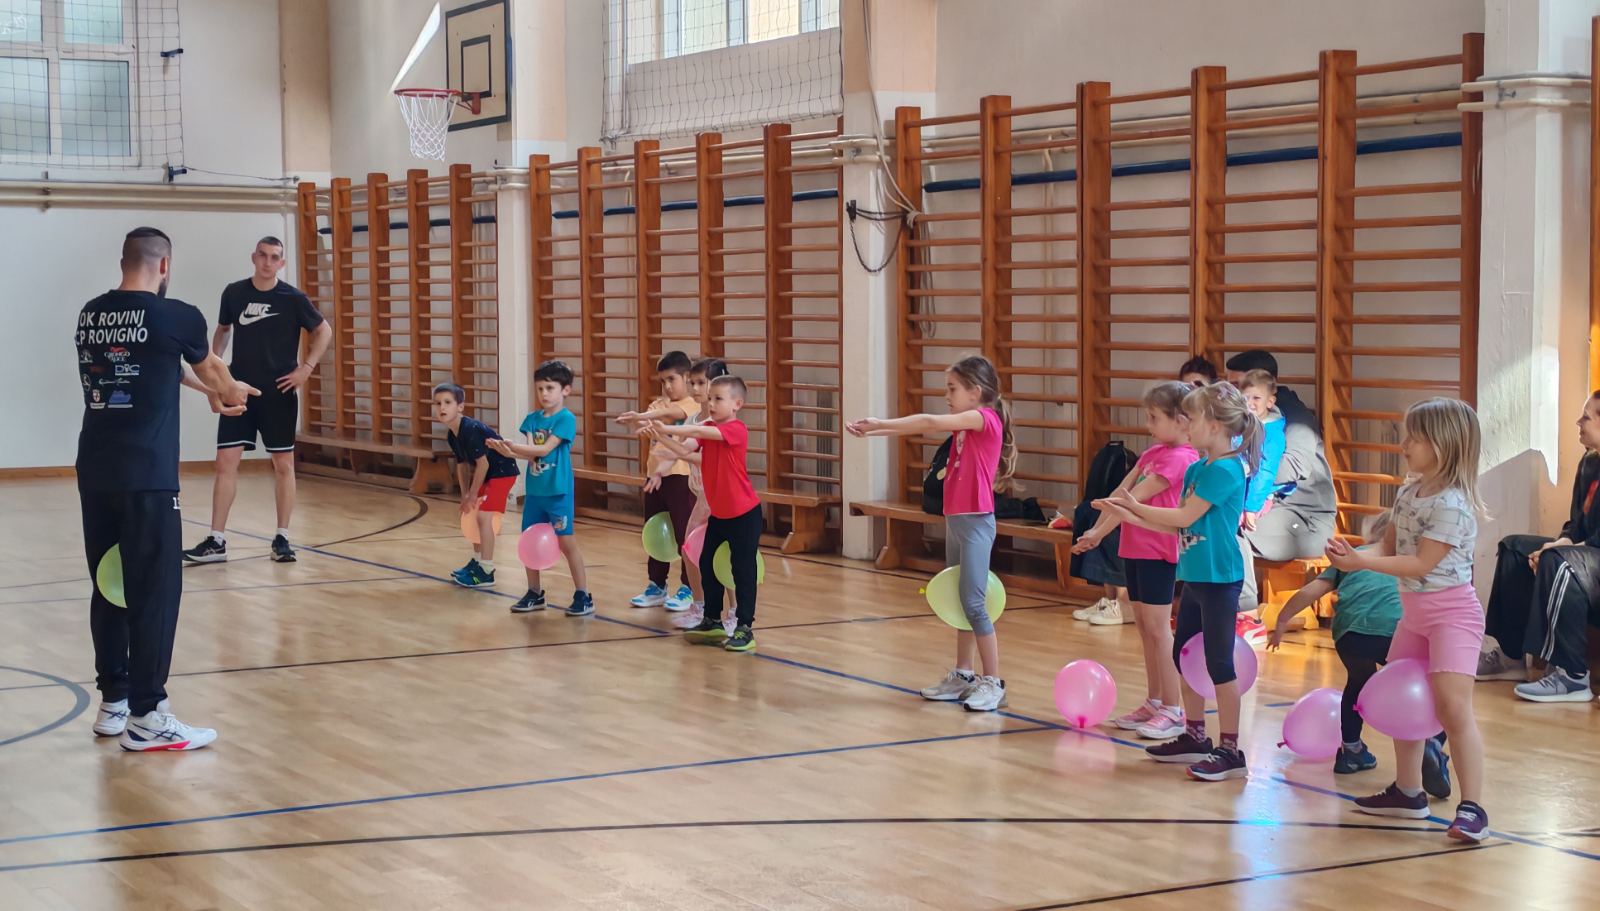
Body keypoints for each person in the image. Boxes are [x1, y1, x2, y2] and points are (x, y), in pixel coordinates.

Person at [78, 226, 256, 751]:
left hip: (97, 471)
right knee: (154, 592)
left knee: (110, 584)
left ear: (124, 261)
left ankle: (114, 701)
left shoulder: (91, 314)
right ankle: (148, 714)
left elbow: (154, 363)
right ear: (164, 267)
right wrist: (228, 390)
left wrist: (205, 390)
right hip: (148, 477)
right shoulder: (176, 315)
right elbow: (213, 370)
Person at [1328, 398, 1489, 842]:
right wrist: (1353, 554)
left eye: (1415, 438)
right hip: (1413, 616)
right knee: (1405, 700)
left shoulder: (1453, 505)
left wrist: (1361, 564)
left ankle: (1473, 808)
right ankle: (1408, 791)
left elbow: (1419, 564)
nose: (1404, 445)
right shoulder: (1407, 493)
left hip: (1452, 617)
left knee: (1454, 710)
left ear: (1443, 444)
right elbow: (1388, 548)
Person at [1097, 382, 1260, 782]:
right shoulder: (1197, 469)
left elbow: (1186, 516)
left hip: (1220, 579)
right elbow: (1177, 526)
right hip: (1195, 577)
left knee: (1218, 663)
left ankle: (1231, 750)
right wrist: (1131, 515)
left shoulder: (1226, 470)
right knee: (1184, 656)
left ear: (1215, 425)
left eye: (1194, 418)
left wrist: (1135, 507)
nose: (1189, 425)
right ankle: (1195, 735)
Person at [848, 356, 1018, 712]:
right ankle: (964, 674)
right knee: (960, 601)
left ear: (975, 392)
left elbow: (928, 421)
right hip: (957, 521)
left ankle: (994, 682)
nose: (947, 396)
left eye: (952, 389)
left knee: (975, 604)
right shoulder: (965, 425)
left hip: (976, 522)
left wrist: (879, 423)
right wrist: (874, 431)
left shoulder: (983, 418)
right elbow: (923, 425)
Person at [1269, 511, 1451, 796]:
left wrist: (1281, 620)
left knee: (1357, 682)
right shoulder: (1408, 559)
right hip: (1393, 630)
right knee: (1432, 691)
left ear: (1372, 534)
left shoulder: (1352, 557)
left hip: (1349, 634)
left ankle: (1351, 750)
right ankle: (1433, 744)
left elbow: (1312, 590)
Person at [183, 237, 332, 565]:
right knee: (225, 462)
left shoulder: (293, 298)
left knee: (284, 464)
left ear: (281, 263)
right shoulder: (234, 293)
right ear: (254, 257)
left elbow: (324, 331)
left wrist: (306, 368)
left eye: (274, 257)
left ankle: (282, 537)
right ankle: (216, 540)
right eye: (263, 255)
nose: (267, 262)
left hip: (279, 393)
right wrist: (216, 377)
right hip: (238, 391)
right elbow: (223, 331)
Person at [1071, 381, 1199, 739]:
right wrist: (1097, 531)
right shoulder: (1153, 453)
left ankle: (1173, 708)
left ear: (1181, 420)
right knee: (1144, 628)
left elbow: (1133, 499)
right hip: (1135, 548)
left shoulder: (1182, 458)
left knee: (1159, 630)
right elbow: (1120, 492)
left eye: (1154, 417)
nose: (1148, 424)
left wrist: (1100, 530)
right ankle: (1154, 701)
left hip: (1159, 551)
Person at [1479, 391, 1600, 702]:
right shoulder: (1589, 462)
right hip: (1586, 554)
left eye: (1586, 417)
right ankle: (1510, 658)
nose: (1578, 422)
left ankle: (1572, 676)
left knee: (1560, 561)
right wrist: (1558, 543)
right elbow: (1576, 525)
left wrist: (1557, 553)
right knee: (1514, 548)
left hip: (1593, 559)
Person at [650, 375, 765, 653]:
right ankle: (712, 620)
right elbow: (684, 450)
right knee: (707, 564)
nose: (711, 403)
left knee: (742, 571)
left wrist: (667, 427)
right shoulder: (707, 429)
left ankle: (744, 627)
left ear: (737, 404)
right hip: (719, 515)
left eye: (718, 399)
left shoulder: (736, 429)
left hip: (744, 514)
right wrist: (661, 436)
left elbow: (698, 432)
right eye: (710, 398)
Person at [1223, 350, 1338, 612]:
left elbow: (1295, 464)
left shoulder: (1294, 418)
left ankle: (1246, 612)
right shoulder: (1244, 413)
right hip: (1269, 509)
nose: (1234, 393)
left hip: (1307, 521)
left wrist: (1240, 475)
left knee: (1231, 526)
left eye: (1238, 385)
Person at [489, 360, 592, 617]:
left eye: (550, 388)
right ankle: (534, 593)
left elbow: (545, 449)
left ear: (565, 390)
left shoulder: (565, 419)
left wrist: (512, 447)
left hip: (558, 493)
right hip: (535, 493)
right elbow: (531, 453)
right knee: (530, 541)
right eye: (540, 389)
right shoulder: (532, 420)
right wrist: (507, 451)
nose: (544, 394)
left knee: (566, 542)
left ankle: (583, 595)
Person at [646, 357, 731, 631]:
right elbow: (681, 448)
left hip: (725, 501)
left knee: (726, 556)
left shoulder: (725, 424)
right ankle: (700, 606)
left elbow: (695, 450)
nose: (695, 389)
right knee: (690, 549)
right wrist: (659, 471)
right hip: (703, 498)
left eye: (701, 383)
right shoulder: (695, 419)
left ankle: (735, 613)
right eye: (692, 383)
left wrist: (663, 431)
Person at [619, 351, 700, 611]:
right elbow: (648, 422)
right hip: (654, 478)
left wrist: (643, 416)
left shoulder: (693, 405)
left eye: (672, 379)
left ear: (687, 378)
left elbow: (673, 413)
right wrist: (639, 420)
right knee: (653, 531)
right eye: (663, 381)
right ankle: (656, 584)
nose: (667, 386)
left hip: (680, 477)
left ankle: (689, 587)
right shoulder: (657, 404)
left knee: (683, 533)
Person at [432, 382, 519, 588]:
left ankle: (486, 571)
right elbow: (462, 465)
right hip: (488, 474)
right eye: (438, 403)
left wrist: (472, 495)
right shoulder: (452, 434)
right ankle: (478, 561)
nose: (442, 407)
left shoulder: (469, 429)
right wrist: (465, 495)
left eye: (447, 402)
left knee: (483, 517)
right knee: (472, 514)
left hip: (502, 473)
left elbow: (483, 464)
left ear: (460, 406)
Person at [1232, 368, 1288, 647]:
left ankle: (1248, 614)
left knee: (1237, 536)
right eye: (1246, 397)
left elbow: (1265, 473)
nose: (1250, 403)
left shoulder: (1273, 432)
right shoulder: (1241, 424)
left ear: (1270, 401)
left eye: (1256, 398)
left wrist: (1250, 507)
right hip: (1236, 495)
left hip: (1256, 499)